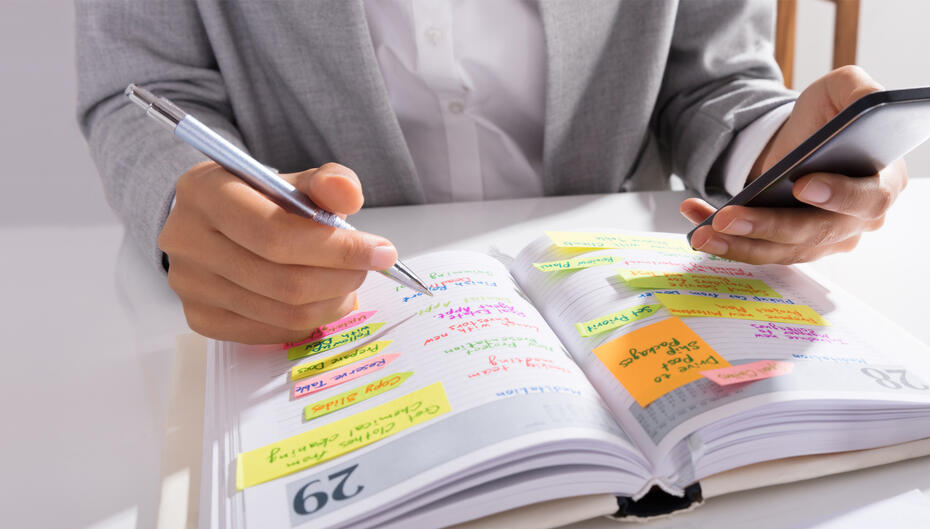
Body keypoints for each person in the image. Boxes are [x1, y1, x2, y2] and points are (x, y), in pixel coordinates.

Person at [76, 0, 906, 344]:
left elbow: (711, 76)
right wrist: (193, 199)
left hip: (606, 294)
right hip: (311, 308)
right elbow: (139, 92)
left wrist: (775, 152)